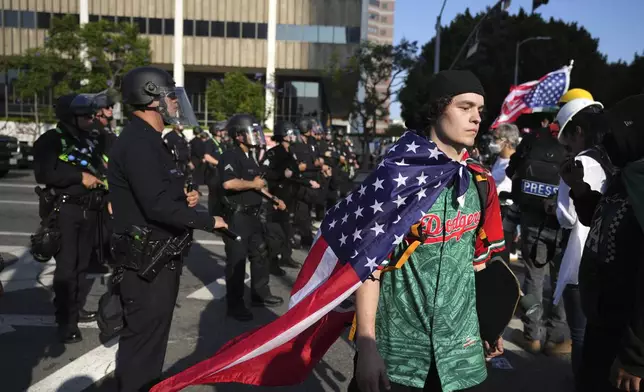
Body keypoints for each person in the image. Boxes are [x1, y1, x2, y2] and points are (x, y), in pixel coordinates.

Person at [351, 70, 505, 392]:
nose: (477, 118)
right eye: (465, 108)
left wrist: (492, 323)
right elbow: (369, 267)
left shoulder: (481, 181)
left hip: (460, 353)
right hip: (399, 353)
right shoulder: (396, 179)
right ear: (437, 110)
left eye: (480, 110)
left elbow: (479, 264)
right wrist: (366, 344)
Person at [107, 66, 227, 391]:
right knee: (143, 344)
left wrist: (184, 195)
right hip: (146, 262)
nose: (175, 103)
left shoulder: (152, 141)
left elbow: (160, 192)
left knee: (152, 340)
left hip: (158, 258)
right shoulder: (138, 143)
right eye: (170, 96)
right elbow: (156, 205)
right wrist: (207, 220)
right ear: (151, 98)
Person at [562, 94, 644, 392]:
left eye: (616, 132)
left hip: (627, 337)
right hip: (602, 320)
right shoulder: (627, 177)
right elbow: (606, 222)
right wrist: (581, 191)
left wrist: (636, 358)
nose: (608, 141)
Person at [32, 93, 108, 343]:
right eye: (85, 114)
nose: (91, 117)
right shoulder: (51, 140)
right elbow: (44, 174)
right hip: (65, 210)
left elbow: (103, 166)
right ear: (69, 117)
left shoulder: (88, 139)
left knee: (82, 265)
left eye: (91, 113)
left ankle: (74, 309)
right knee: (67, 267)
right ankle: (66, 321)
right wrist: (78, 178)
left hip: (90, 209)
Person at [553, 97, 609, 389]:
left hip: (580, 258)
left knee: (580, 335)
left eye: (566, 138)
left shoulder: (578, 164)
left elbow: (566, 216)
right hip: (611, 256)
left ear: (577, 132)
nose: (566, 147)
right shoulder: (612, 159)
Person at [505, 106, 570, 355]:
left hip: (532, 220)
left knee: (534, 277)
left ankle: (532, 336)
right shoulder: (579, 142)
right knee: (560, 280)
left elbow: (513, 171)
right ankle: (555, 339)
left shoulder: (534, 138)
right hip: (564, 222)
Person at [218, 113, 286, 322]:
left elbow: (257, 185)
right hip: (238, 217)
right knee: (237, 261)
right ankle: (235, 304)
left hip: (254, 216)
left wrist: (273, 198)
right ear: (238, 135)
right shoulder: (230, 156)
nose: (255, 136)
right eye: (250, 132)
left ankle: (259, 294)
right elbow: (228, 184)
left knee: (260, 255)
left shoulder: (250, 157)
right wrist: (254, 185)